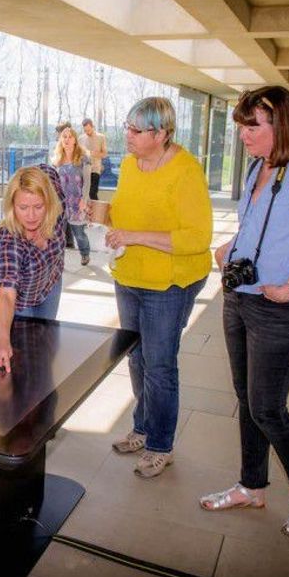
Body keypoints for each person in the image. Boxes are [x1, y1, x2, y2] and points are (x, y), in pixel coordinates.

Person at [199, 86, 289, 539]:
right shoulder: (258, 168)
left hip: (284, 306)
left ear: (281, 123)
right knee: (247, 399)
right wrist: (228, 250)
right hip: (241, 298)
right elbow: (254, 227)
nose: (242, 133)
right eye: (240, 123)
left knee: (268, 408)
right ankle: (252, 485)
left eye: (251, 124)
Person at [105, 97, 212, 479]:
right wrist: (97, 212)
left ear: (162, 134)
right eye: (127, 126)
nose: (128, 135)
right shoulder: (131, 165)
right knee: (136, 358)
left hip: (170, 283)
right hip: (129, 277)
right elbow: (121, 210)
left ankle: (160, 445)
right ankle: (143, 425)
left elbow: (197, 238)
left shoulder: (186, 172)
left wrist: (134, 235)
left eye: (137, 130)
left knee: (160, 364)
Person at [0, 165, 66, 371]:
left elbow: (47, 170)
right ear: (12, 205)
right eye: (23, 207)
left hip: (51, 281)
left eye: (38, 207)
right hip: (21, 298)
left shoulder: (56, 201)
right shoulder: (10, 237)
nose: (31, 216)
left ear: (49, 202)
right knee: (22, 360)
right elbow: (6, 292)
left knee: (45, 350)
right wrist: (2, 339)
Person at [52, 125, 91, 266]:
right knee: (58, 235)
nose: (67, 139)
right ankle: (58, 260)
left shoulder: (83, 158)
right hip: (61, 204)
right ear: (61, 140)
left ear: (75, 140)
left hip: (77, 203)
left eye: (70, 137)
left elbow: (87, 182)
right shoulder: (57, 160)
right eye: (64, 137)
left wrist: (84, 200)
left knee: (79, 234)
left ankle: (85, 253)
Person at [79, 118, 108, 201]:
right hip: (83, 169)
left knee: (92, 193)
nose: (87, 132)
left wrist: (94, 154)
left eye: (88, 130)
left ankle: (97, 212)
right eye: (85, 131)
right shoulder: (80, 139)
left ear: (92, 127)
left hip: (95, 169)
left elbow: (105, 154)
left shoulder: (101, 137)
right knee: (83, 193)